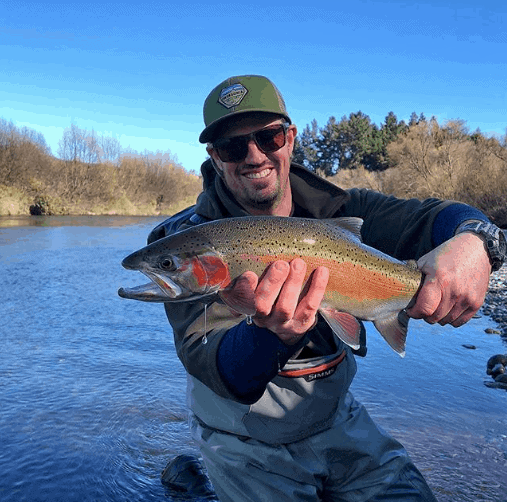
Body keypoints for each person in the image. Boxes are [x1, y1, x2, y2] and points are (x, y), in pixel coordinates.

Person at [147, 75, 506, 501]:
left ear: (291, 138)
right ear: (215, 157)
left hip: (337, 421)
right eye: (233, 146)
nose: (254, 155)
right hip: (242, 438)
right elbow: (222, 371)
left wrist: (476, 241)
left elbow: (438, 217)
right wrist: (271, 334)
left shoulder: (342, 208)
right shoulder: (190, 239)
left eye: (269, 136)